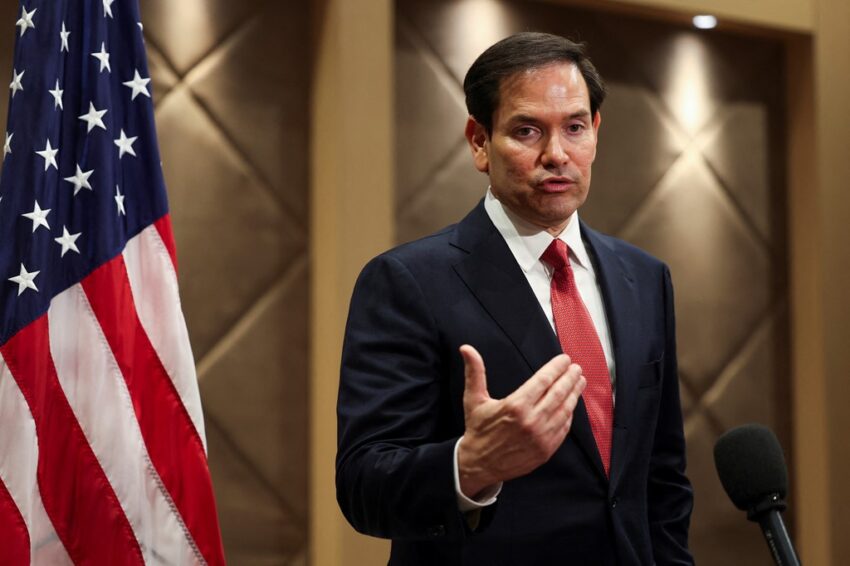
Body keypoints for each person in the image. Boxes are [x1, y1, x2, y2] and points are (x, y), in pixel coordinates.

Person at [336, 32, 694, 565]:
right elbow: (364, 486)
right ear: (479, 141)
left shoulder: (644, 278)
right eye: (527, 131)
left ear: (595, 132)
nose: (557, 155)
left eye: (575, 128)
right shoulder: (407, 282)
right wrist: (470, 464)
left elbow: (662, 480)